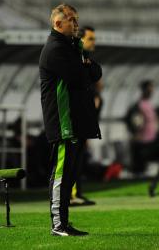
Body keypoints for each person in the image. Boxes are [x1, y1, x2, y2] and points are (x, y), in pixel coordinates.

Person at [39, 3, 102, 236]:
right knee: (61, 174)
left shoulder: (72, 47)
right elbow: (79, 78)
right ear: (58, 23)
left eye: (76, 20)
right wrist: (85, 67)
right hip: (63, 123)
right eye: (72, 20)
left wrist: (85, 66)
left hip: (75, 121)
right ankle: (58, 225)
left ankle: (64, 222)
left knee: (71, 175)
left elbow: (96, 72)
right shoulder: (56, 49)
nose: (76, 24)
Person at [70, 25, 101, 206]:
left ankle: (77, 193)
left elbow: (97, 73)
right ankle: (71, 195)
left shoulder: (86, 58)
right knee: (72, 158)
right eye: (91, 39)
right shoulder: (72, 58)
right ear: (81, 40)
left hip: (83, 118)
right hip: (72, 118)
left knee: (79, 158)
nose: (94, 42)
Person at [126, 80, 159, 175]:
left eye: (152, 89)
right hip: (142, 141)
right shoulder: (138, 105)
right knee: (140, 167)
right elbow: (130, 120)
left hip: (153, 139)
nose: (151, 92)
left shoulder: (150, 104)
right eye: (149, 89)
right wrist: (135, 133)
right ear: (143, 90)